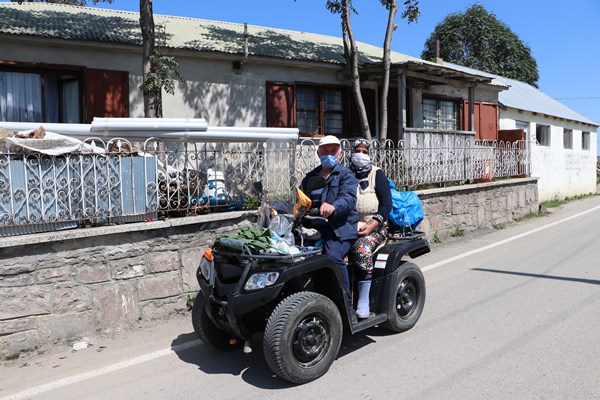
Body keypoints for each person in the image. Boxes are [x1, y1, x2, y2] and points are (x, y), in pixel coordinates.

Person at [301, 135, 359, 306]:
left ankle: (344, 303)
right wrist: (275, 208)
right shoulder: (310, 177)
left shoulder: (346, 175)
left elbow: (348, 199)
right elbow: (298, 199)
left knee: (332, 257)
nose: (329, 154)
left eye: (333, 151)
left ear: (340, 154)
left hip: (340, 230)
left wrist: (333, 207)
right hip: (315, 229)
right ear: (318, 153)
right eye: (325, 151)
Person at [347, 139, 392, 319]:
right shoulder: (346, 174)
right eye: (357, 150)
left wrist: (371, 226)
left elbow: (386, 206)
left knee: (360, 249)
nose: (361, 154)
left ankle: (363, 301)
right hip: (349, 226)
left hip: (375, 228)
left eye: (365, 151)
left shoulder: (377, 174)